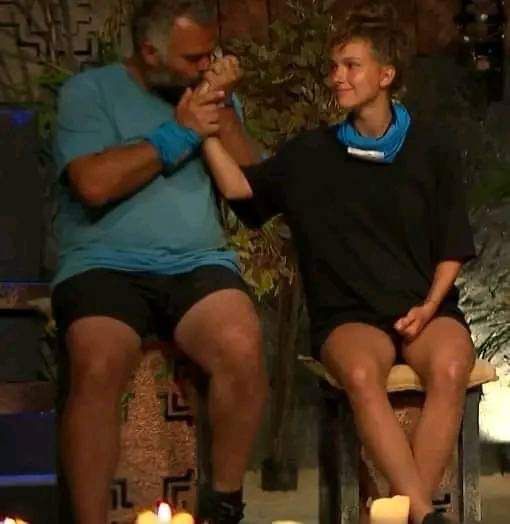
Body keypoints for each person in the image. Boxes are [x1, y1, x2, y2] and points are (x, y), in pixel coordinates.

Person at [202, 2, 476, 523]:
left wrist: (428, 307)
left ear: (386, 75)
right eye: (334, 66)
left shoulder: (432, 147)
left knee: (450, 364)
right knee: (360, 371)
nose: (337, 77)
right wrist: (205, 135)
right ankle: (422, 514)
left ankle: (402, 514)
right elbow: (245, 193)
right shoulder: (312, 154)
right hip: (349, 316)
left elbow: (452, 245)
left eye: (351, 66)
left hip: (424, 307)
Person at [51, 1, 268, 523]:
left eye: (210, 54)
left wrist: (222, 108)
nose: (206, 65)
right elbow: (93, 184)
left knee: (241, 345)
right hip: (103, 265)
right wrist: (181, 131)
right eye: (194, 58)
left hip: (196, 263)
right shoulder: (90, 92)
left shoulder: (207, 95)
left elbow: (254, 189)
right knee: (97, 363)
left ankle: (224, 506)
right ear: (150, 51)